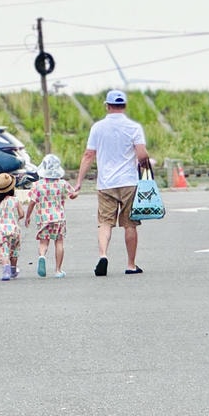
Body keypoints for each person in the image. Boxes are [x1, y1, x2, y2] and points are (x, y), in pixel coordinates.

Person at [72, 89, 154, 276]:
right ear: (124, 106)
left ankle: (103, 255)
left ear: (107, 106)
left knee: (105, 223)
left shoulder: (97, 128)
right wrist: (144, 163)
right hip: (129, 182)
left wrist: (79, 182)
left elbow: (88, 155)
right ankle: (131, 265)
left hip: (106, 183)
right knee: (130, 224)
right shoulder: (134, 127)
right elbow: (142, 154)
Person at [24, 153, 77, 278]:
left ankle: (42, 256)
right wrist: (76, 192)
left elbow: (32, 202)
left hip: (43, 219)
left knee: (44, 242)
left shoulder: (38, 185)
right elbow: (72, 194)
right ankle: (58, 270)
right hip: (59, 218)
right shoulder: (62, 183)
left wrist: (28, 217)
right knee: (59, 242)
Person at [0, 172, 26, 281]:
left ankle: (6, 270)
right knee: (14, 251)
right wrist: (16, 218)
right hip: (14, 228)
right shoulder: (15, 200)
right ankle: (13, 270)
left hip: (1, 230)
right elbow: (22, 214)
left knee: (4, 251)